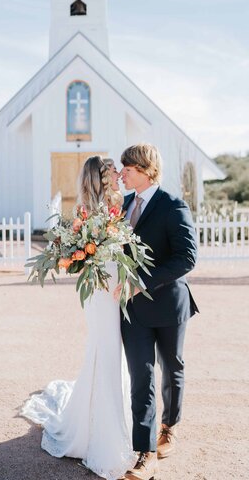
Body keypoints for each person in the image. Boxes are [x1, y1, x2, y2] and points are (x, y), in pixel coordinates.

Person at [21, 156, 136, 480]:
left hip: (115, 284)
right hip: (99, 288)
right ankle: (102, 435)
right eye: (113, 173)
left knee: (117, 351)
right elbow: (84, 253)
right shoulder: (87, 212)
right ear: (102, 177)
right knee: (106, 349)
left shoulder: (120, 204)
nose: (117, 177)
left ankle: (121, 420)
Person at [114, 144, 198, 480]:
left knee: (172, 368)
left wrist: (142, 283)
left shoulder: (173, 206)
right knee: (140, 377)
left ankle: (170, 427)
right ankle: (145, 454)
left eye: (128, 169)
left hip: (168, 305)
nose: (122, 175)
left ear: (147, 170)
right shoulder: (124, 206)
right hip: (132, 310)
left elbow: (186, 258)